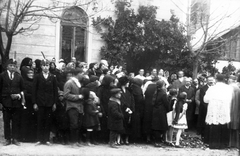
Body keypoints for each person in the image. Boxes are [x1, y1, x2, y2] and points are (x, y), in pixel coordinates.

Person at [32, 59, 58, 145]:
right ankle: (39, 139)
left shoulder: (53, 77)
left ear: (49, 66)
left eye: (47, 65)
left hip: (49, 103)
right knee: (40, 120)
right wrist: (34, 103)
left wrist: (54, 103)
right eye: (44, 65)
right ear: (41, 66)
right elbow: (34, 90)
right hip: (40, 102)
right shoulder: (37, 76)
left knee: (48, 121)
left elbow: (55, 91)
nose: (46, 67)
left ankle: (46, 139)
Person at [204, 74, 233, 149]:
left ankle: (214, 144)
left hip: (214, 109)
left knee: (214, 126)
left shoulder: (212, 88)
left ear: (216, 79)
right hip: (224, 109)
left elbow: (206, 100)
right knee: (223, 126)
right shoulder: (229, 88)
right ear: (224, 80)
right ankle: (223, 144)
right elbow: (230, 98)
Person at [0, 59, 25, 146]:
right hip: (6, 102)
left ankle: (15, 138)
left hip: (16, 103)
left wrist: (19, 95)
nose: (12, 67)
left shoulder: (19, 76)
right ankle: (7, 139)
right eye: (10, 65)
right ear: (7, 66)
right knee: (6, 121)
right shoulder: (2, 76)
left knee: (16, 121)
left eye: (14, 66)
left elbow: (22, 89)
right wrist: (1, 102)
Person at [63, 68, 85, 146]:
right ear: (77, 74)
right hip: (72, 106)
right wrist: (78, 97)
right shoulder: (69, 83)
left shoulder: (78, 83)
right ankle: (73, 142)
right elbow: (66, 95)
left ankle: (76, 141)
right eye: (82, 73)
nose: (83, 75)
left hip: (79, 107)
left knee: (78, 125)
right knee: (74, 124)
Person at [20, 68, 37, 142]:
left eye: (32, 73)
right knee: (26, 120)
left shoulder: (35, 82)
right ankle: (25, 137)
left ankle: (33, 137)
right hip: (27, 103)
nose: (31, 75)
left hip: (34, 103)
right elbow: (24, 93)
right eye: (29, 73)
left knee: (34, 120)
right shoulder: (24, 82)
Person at [151, 80, 170, 147]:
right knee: (160, 126)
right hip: (161, 111)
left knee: (156, 126)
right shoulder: (163, 93)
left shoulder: (156, 92)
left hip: (155, 110)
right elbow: (166, 103)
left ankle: (156, 141)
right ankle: (159, 141)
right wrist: (168, 109)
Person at [118, 76, 135, 145]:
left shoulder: (128, 91)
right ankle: (121, 138)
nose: (128, 83)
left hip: (129, 110)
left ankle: (126, 139)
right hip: (122, 109)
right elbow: (121, 100)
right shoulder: (119, 90)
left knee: (128, 124)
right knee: (122, 124)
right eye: (127, 82)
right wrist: (125, 108)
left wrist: (131, 108)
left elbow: (132, 100)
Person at [228, 75, 240, 148]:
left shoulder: (231, 88)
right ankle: (235, 143)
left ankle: (230, 143)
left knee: (231, 125)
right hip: (236, 110)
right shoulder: (238, 88)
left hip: (231, 109)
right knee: (235, 127)